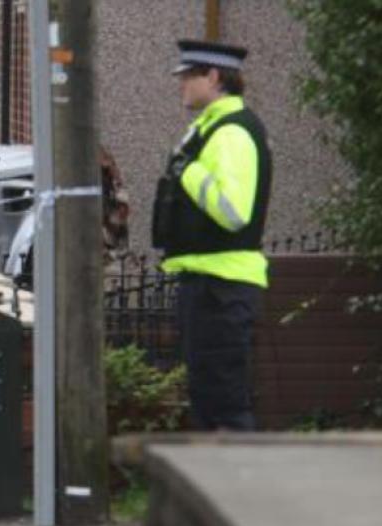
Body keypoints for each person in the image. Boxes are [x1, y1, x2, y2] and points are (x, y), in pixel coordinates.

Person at [152, 40, 272, 431]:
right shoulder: (210, 129)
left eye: (189, 75)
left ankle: (240, 490)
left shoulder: (232, 132)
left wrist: (190, 173)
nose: (181, 84)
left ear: (215, 77)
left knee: (223, 406)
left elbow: (235, 212)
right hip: (209, 285)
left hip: (221, 288)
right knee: (208, 401)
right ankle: (222, 488)